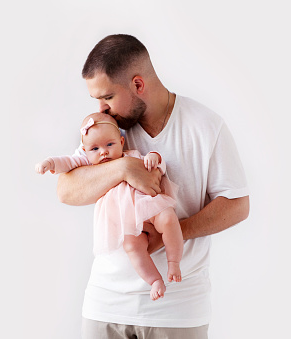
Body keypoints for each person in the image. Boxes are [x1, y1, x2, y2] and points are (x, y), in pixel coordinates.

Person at [56, 34, 250, 338]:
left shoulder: (205, 126)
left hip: (177, 310)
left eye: (107, 97)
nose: (101, 109)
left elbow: (237, 205)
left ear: (137, 84)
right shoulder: (107, 133)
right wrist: (123, 167)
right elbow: (66, 190)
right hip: (104, 304)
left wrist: (173, 233)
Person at [36, 113, 184, 300]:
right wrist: (50, 163)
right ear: (85, 151)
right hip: (126, 218)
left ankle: (174, 262)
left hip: (148, 204)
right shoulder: (91, 165)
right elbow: (68, 162)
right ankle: (155, 280)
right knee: (132, 246)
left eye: (109, 145)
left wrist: (154, 158)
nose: (103, 152)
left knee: (169, 219)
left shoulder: (132, 156)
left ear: (121, 142)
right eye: (95, 148)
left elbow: (158, 163)